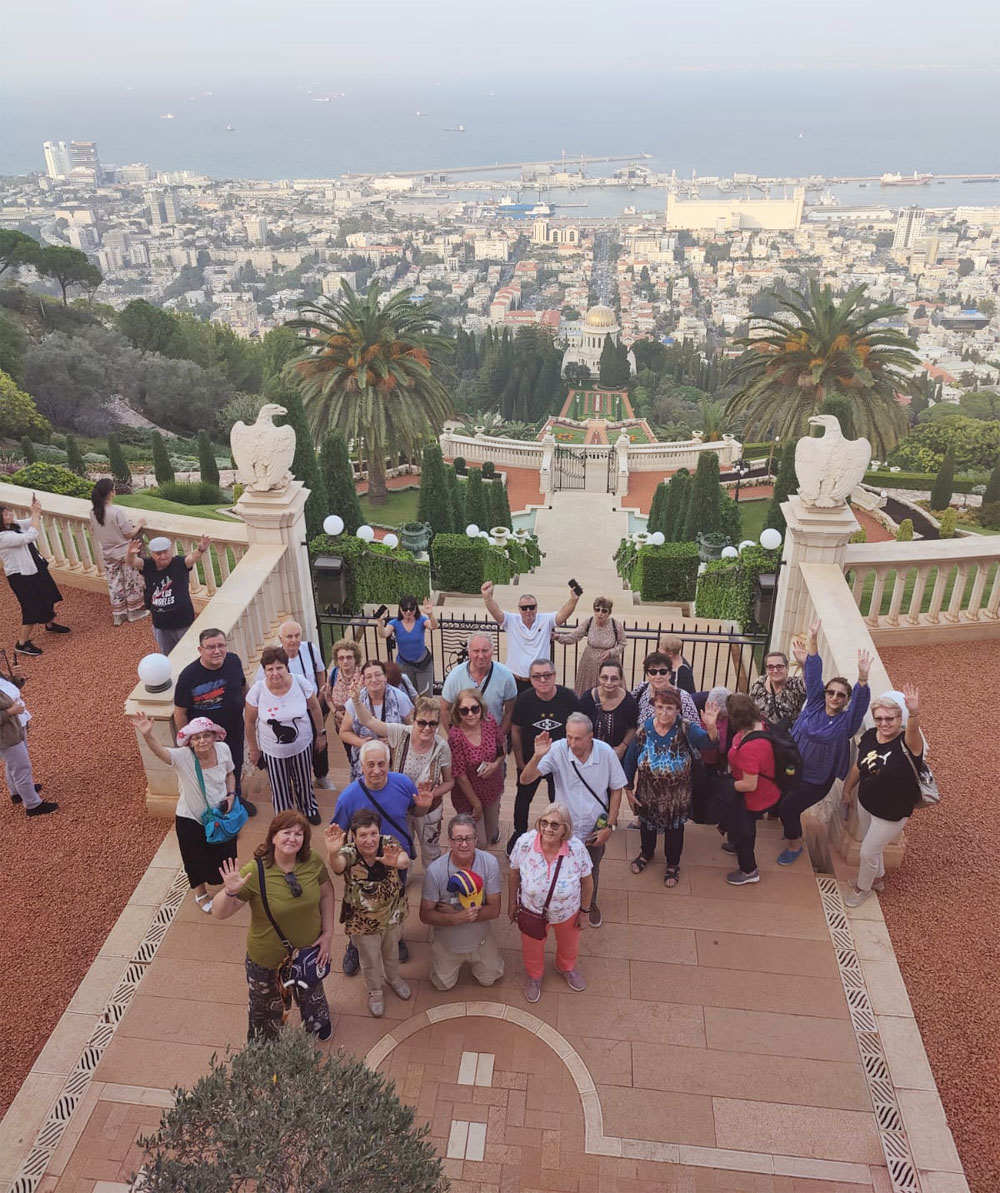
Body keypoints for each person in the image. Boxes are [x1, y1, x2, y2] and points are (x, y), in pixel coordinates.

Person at [212, 811, 333, 1042]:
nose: (292, 838)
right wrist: (229, 891)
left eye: (299, 834)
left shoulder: (313, 861)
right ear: (273, 837)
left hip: (308, 952)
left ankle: (316, 1019)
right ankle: (265, 1049)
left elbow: (327, 893)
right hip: (267, 960)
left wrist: (328, 933)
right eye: (286, 832)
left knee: (312, 990)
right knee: (265, 1012)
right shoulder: (255, 871)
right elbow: (220, 912)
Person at [330, 738, 433, 975]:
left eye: (381, 764)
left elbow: (412, 810)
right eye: (370, 765)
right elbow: (338, 832)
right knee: (359, 905)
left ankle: (394, 937)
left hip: (397, 857)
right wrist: (339, 854)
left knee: (396, 897)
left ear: (389, 763)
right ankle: (355, 945)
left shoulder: (403, 784)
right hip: (362, 863)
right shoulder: (348, 797)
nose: (376, 770)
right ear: (361, 766)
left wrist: (424, 808)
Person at [518, 712, 626, 928]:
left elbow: (616, 789)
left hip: (594, 828)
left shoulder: (606, 753)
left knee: (591, 868)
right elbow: (525, 779)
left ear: (591, 736)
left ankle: (588, 905)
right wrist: (537, 756)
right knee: (560, 866)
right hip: (564, 829)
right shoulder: (558, 749)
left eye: (578, 738)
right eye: (569, 737)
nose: (572, 743)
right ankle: (560, 903)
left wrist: (611, 826)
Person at [778, 619, 871, 866]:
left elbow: (860, 705)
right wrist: (813, 640)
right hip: (792, 766)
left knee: (788, 808)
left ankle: (795, 844)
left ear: (846, 700)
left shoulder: (846, 722)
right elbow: (814, 674)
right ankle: (790, 829)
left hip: (816, 778)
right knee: (782, 802)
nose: (834, 697)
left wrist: (862, 677)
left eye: (841, 695)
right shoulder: (816, 705)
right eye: (831, 692)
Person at [133, 712, 237, 909]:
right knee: (195, 858)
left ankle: (230, 887)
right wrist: (148, 734)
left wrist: (231, 794)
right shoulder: (182, 757)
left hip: (220, 816)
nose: (202, 741)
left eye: (206, 735)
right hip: (191, 819)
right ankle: (201, 894)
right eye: (196, 738)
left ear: (215, 736)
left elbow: (230, 773)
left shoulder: (223, 749)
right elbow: (160, 752)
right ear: (190, 742)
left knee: (227, 853)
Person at [623, 689, 720, 887]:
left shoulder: (686, 728)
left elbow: (709, 743)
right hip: (648, 792)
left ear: (677, 710)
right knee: (647, 826)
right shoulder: (644, 729)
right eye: (660, 707)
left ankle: (673, 864)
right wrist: (628, 787)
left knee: (675, 830)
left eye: (669, 708)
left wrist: (711, 727)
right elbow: (631, 758)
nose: (664, 712)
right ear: (654, 707)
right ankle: (646, 853)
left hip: (677, 795)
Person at [841, 686, 924, 907]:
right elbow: (859, 767)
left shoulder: (909, 743)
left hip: (892, 812)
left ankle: (862, 888)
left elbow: (914, 732)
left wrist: (914, 713)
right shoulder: (870, 736)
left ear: (900, 719)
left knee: (868, 852)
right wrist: (847, 790)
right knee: (872, 845)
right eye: (879, 718)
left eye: (890, 719)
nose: (884, 723)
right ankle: (876, 879)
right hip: (866, 803)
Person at [351, 688, 453, 865]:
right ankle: (404, 878)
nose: (427, 728)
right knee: (400, 846)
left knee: (431, 849)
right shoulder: (400, 733)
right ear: (413, 721)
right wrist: (356, 700)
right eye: (421, 722)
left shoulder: (442, 747)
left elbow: (450, 781)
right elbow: (368, 721)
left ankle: (433, 883)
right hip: (401, 804)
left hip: (430, 808)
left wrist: (430, 795)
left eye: (432, 724)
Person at [325, 809, 411, 1018]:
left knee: (391, 951)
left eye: (373, 833)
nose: (369, 840)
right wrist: (333, 853)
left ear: (379, 832)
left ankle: (393, 978)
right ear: (354, 836)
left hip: (392, 915)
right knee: (370, 958)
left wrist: (396, 862)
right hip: (363, 922)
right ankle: (375, 990)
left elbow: (404, 860)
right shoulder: (350, 852)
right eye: (363, 835)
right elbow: (338, 865)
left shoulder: (389, 843)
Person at [508, 802, 594, 1002]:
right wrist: (512, 904)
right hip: (531, 911)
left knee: (569, 944)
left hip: (568, 912)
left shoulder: (577, 849)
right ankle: (534, 976)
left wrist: (585, 911)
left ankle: (566, 968)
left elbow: (588, 882)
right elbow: (513, 873)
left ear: (566, 828)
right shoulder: (525, 843)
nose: (547, 828)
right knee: (532, 947)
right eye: (543, 822)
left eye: (555, 825)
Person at [174, 628, 256, 817]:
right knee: (210, 774)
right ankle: (216, 811)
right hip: (205, 739)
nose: (217, 651)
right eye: (210, 647)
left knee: (234, 765)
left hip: (234, 730)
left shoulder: (234, 661)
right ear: (200, 650)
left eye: (221, 645)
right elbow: (180, 711)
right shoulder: (189, 676)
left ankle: (235, 800)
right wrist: (187, 740)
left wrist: (253, 714)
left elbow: (244, 688)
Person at [420, 813, 504, 991]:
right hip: (447, 941)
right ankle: (437, 947)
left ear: (476, 839)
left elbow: (495, 911)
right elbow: (425, 914)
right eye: (458, 839)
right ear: (449, 841)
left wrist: (458, 914)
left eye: (468, 838)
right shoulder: (435, 871)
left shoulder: (490, 863)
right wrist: (454, 919)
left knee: (490, 978)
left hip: (480, 939)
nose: (464, 844)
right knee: (442, 985)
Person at [245, 646, 327, 825]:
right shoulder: (257, 691)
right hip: (272, 750)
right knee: (279, 785)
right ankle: (284, 816)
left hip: (302, 744)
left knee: (304, 778)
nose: (275, 673)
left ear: (286, 666)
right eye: (270, 669)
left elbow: (314, 708)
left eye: (279, 667)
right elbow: (250, 722)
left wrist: (321, 734)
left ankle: (309, 808)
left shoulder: (300, 683)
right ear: (264, 670)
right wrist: (253, 749)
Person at [509, 657, 580, 853]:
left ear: (554, 676)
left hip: (559, 762)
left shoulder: (569, 698)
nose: (543, 680)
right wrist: (520, 759)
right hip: (533, 760)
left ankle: (560, 833)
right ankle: (519, 833)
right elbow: (516, 729)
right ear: (530, 679)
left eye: (547, 675)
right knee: (523, 796)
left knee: (558, 800)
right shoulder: (524, 700)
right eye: (537, 676)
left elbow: (580, 727)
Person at [254, 620, 333, 790]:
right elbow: (260, 688)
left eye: (297, 635)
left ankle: (321, 776)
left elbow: (320, 671)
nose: (294, 640)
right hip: (285, 713)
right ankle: (286, 779)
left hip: (311, 707)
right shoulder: (273, 660)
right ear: (280, 638)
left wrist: (319, 693)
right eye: (289, 636)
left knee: (319, 742)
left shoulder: (310, 649)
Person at [720, 694, 782, 886]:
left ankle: (748, 870)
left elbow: (749, 784)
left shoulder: (750, 748)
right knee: (739, 826)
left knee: (745, 831)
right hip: (768, 789)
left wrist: (726, 786)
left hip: (753, 796)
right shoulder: (762, 723)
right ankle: (735, 844)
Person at [0, 498, 69, 657]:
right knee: (31, 607)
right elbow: (29, 536)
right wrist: (36, 514)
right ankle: (22, 643)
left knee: (47, 594)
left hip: (34, 568)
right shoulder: (2, 537)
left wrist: (36, 510)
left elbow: (32, 521)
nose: (9, 514)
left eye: (8, 511)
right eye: (5, 514)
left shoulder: (14, 525)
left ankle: (49, 624)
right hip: (20, 576)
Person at [481, 580, 580, 690]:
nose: (528, 611)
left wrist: (573, 599)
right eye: (524, 608)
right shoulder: (511, 620)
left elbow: (563, 614)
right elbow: (496, 612)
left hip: (538, 681)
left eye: (531, 607)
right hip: (514, 680)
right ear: (519, 609)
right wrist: (487, 598)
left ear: (536, 607)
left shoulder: (546, 620)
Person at [126, 533, 208, 656]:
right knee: (168, 657)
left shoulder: (180, 563)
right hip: (160, 624)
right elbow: (131, 562)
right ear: (152, 554)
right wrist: (130, 553)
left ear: (171, 551)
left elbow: (192, 558)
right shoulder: (148, 565)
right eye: (158, 554)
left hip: (183, 622)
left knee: (189, 655)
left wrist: (201, 548)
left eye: (166, 552)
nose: (163, 556)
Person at [447, 687, 505, 847]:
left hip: (491, 789)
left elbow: (501, 748)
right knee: (478, 842)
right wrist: (476, 804)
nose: (471, 714)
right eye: (464, 711)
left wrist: (495, 765)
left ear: (481, 707)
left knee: (491, 831)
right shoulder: (456, 735)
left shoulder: (489, 722)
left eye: (474, 708)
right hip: (468, 796)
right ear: (457, 712)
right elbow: (459, 774)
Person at [338, 658, 413, 782]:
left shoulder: (400, 698)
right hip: (364, 763)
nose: (374, 680)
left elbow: (415, 729)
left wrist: (397, 739)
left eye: (378, 675)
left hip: (394, 762)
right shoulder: (354, 701)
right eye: (369, 676)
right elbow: (344, 732)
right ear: (363, 680)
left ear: (385, 677)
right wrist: (361, 742)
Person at [0, 662, 57, 816]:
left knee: (13, 763)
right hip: (6, 735)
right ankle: (32, 804)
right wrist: (10, 712)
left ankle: (17, 793)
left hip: (17, 726)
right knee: (21, 767)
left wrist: (17, 679)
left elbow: (10, 692)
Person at [88, 479, 148, 627]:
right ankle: (133, 611)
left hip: (108, 553)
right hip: (124, 552)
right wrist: (140, 524)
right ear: (110, 493)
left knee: (114, 582)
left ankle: (118, 615)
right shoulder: (116, 512)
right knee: (131, 580)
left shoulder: (93, 512)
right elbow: (128, 534)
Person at [440, 633, 517, 735]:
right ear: (469, 651)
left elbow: (510, 710)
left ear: (492, 650)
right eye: (476, 651)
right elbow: (444, 709)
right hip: (464, 740)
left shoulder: (506, 676)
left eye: (485, 650)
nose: (480, 656)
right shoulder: (455, 676)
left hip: (493, 738)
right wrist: (453, 737)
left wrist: (501, 737)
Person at [554, 596, 626, 696]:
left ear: (609, 613)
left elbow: (622, 643)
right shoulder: (589, 622)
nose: (600, 613)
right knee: (587, 693)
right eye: (597, 610)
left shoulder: (616, 625)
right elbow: (574, 636)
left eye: (604, 611)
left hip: (609, 664)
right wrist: (559, 637)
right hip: (589, 665)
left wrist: (611, 652)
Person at [577, 659, 638, 761]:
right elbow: (579, 724)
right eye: (604, 678)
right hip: (589, 755)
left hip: (616, 757)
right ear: (598, 678)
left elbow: (633, 727)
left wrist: (622, 747)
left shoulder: (628, 702)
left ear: (620, 680)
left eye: (614, 679)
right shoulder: (587, 698)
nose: (608, 682)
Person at [377, 594, 438, 695]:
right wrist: (380, 623)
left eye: (411, 609)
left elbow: (434, 626)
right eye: (405, 609)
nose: (408, 612)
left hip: (423, 664)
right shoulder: (395, 623)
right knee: (408, 695)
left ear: (415, 609)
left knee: (425, 695)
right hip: (404, 665)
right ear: (400, 609)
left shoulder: (421, 620)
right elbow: (383, 634)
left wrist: (430, 615)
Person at [322, 637, 363, 760]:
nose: (345, 661)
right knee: (350, 755)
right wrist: (335, 712)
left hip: (360, 725)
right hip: (341, 724)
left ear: (355, 659)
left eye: (349, 657)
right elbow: (328, 696)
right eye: (341, 658)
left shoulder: (363, 676)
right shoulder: (334, 673)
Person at [631, 651, 699, 725]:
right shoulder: (641, 689)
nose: (658, 676)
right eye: (653, 672)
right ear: (647, 674)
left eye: (663, 672)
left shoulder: (683, 697)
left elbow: (695, 727)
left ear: (669, 674)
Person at [750, 650, 807, 728]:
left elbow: (809, 684)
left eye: (779, 666)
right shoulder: (759, 684)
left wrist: (804, 664)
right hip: (762, 735)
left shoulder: (794, 685)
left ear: (787, 668)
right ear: (766, 670)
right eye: (770, 667)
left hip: (785, 737)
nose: (775, 671)